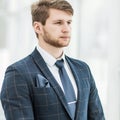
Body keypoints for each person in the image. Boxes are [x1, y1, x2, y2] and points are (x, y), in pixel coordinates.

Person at [1, 0, 105, 120]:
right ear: (38, 27)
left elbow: (98, 117)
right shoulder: (18, 73)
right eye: (58, 23)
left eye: (69, 22)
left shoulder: (83, 69)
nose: (66, 29)